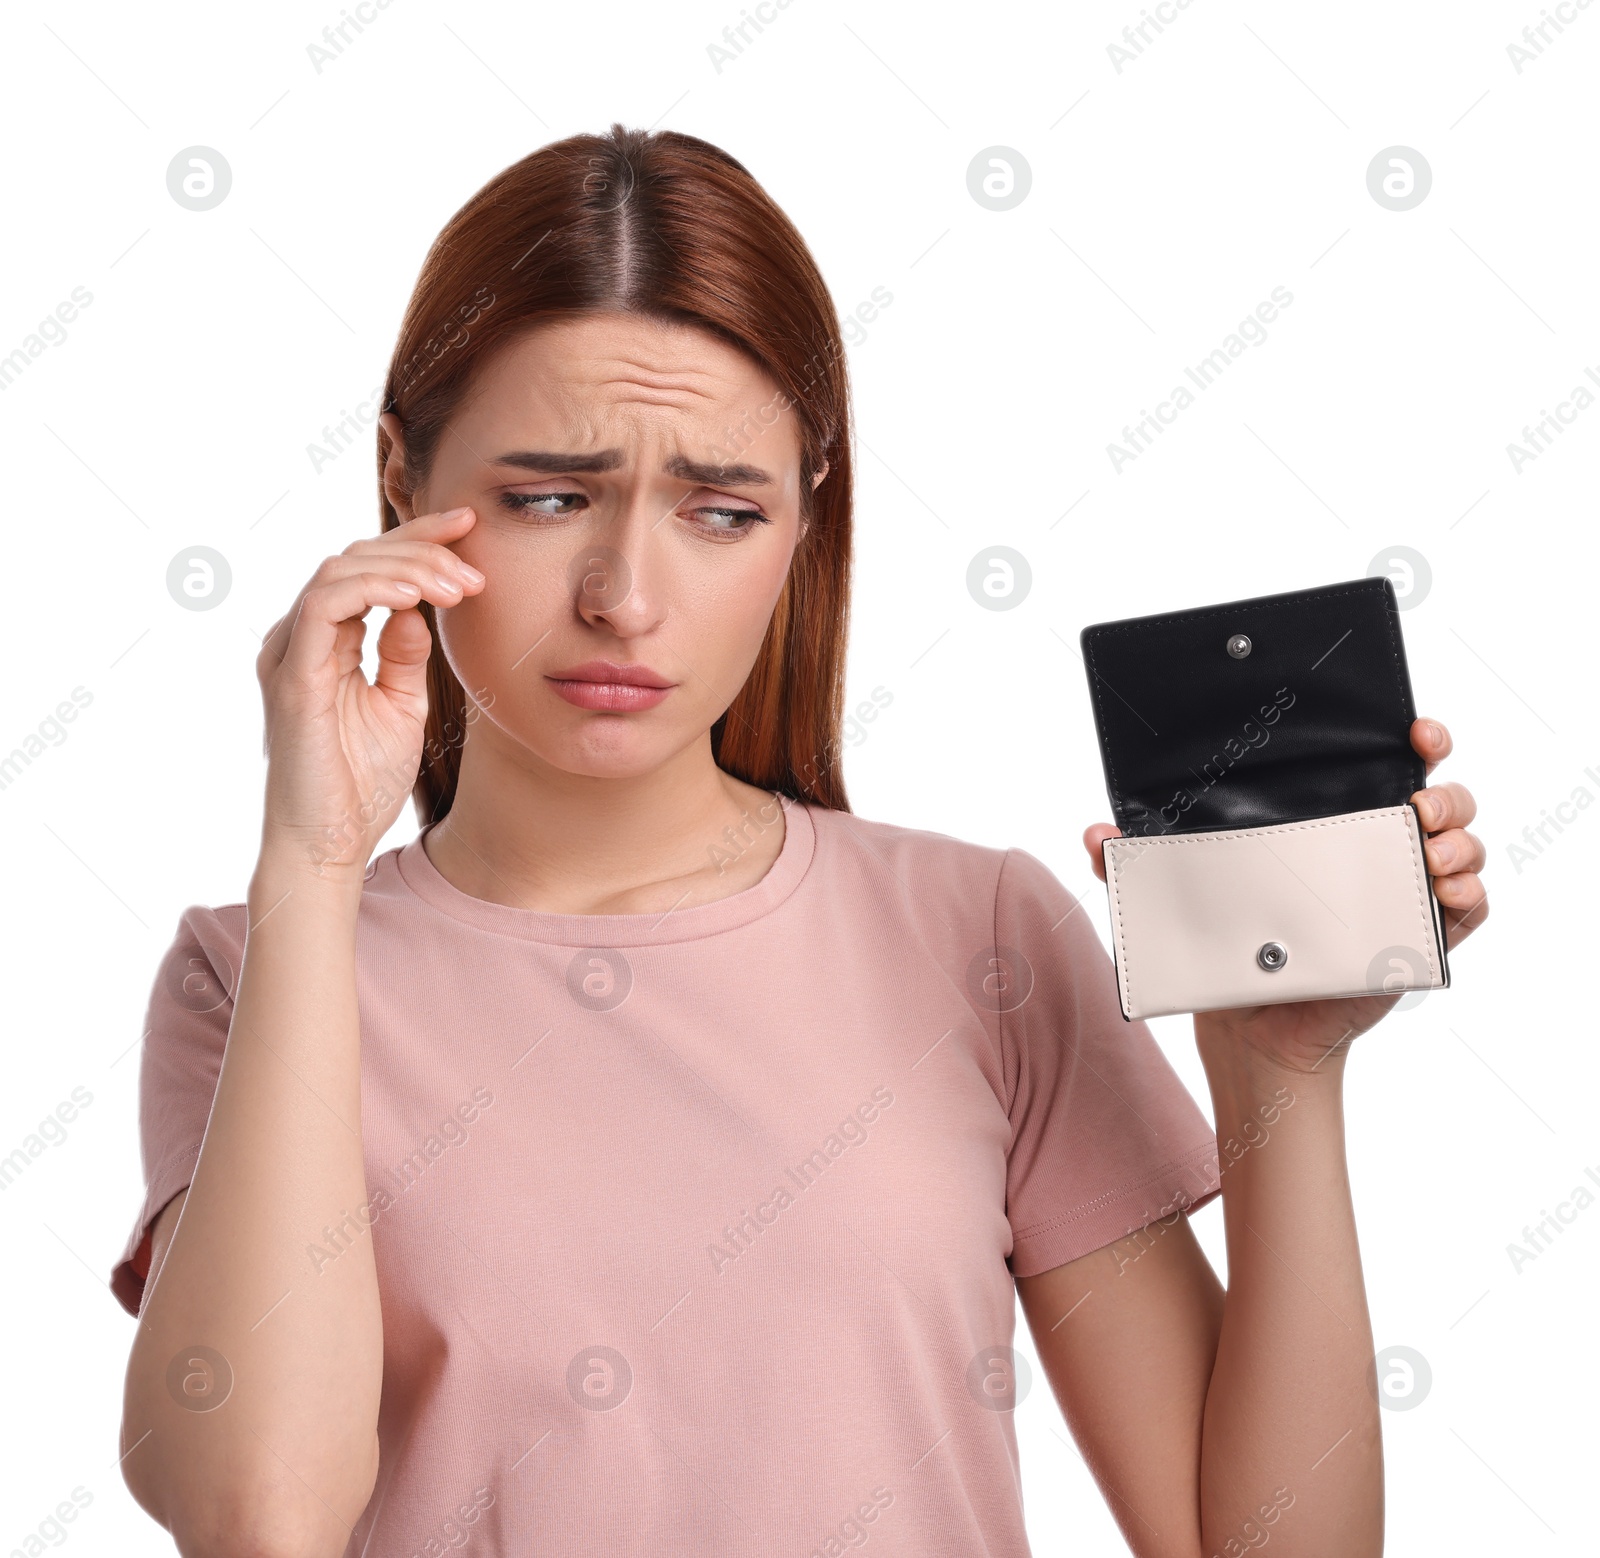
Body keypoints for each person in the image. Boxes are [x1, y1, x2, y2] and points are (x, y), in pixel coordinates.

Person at [111, 124, 1489, 1558]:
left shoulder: (983, 934)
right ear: (402, 478)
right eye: (547, 496)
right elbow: (254, 1512)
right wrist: (312, 866)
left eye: (719, 509)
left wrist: (1281, 1074)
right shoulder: (251, 974)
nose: (625, 595)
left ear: (803, 518)